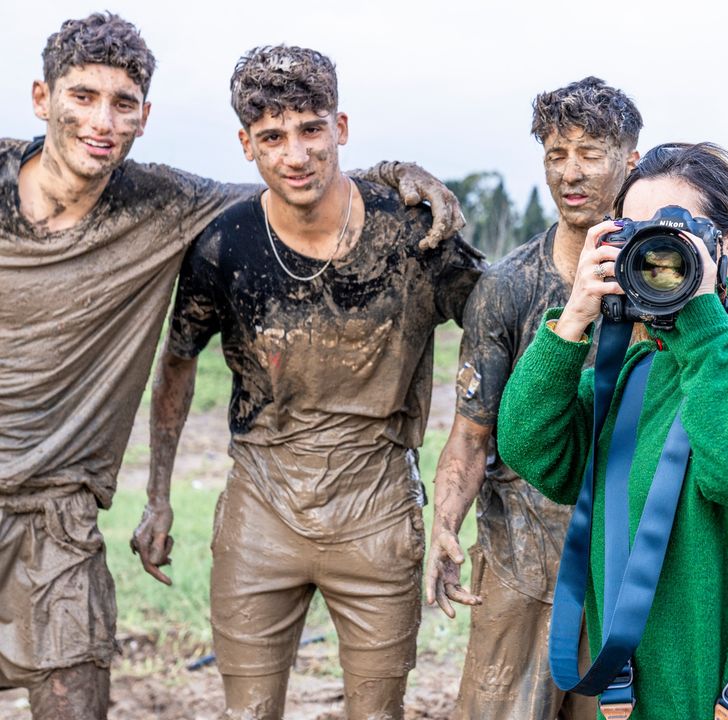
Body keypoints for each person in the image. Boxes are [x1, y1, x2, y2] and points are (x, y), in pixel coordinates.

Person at [0, 13, 462, 720]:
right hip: (218, 497)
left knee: (74, 690)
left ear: (145, 116)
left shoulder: (162, 205)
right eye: (82, 96)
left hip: (55, 507)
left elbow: (289, 185)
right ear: (42, 98)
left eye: (122, 103)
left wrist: (392, 174)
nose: (102, 121)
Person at [136, 45, 484, 720]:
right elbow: (177, 361)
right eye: (272, 137)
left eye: (311, 129)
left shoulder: (410, 229)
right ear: (247, 145)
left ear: (340, 127)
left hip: (375, 502)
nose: (296, 154)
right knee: (248, 710)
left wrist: (466, 469)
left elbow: (495, 321)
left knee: (377, 711)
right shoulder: (225, 243)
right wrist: (156, 499)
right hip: (262, 503)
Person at [497, 142, 728, 719]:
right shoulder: (641, 361)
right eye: (634, 230)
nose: (656, 248)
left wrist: (702, 316)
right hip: (647, 701)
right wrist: (575, 316)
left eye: (675, 229)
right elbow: (536, 449)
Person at [425, 76, 638, 720]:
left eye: (589, 152)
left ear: (630, 158)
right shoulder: (507, 286)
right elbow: (470, 432)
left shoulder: (667, 273)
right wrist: (443, 525)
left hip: (627, 552)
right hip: (518, 549)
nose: (570, 172)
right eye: (555, 153)